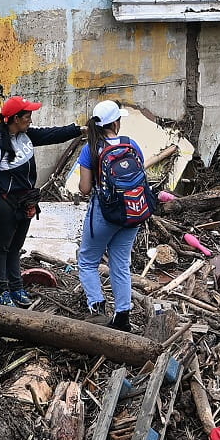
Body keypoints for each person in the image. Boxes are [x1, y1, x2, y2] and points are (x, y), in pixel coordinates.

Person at [0, 96, 82, 307]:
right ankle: (1, 290)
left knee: (15, 247)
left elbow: (51, 134)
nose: (31, 120)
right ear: (15, 118)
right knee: (1, 247)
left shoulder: (24, 136)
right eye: (27, 116)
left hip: (24, 201)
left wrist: (78, 130)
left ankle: (16, 288)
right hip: (3, 204)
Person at [76, 100, 146, 331]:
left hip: (104, 214)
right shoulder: (132, 144)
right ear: (115, 122)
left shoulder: (90, 149)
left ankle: (97, 307)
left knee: (87, 260)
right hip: (132, 211)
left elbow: (85, 189)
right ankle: (122, 316)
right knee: (121, 264)